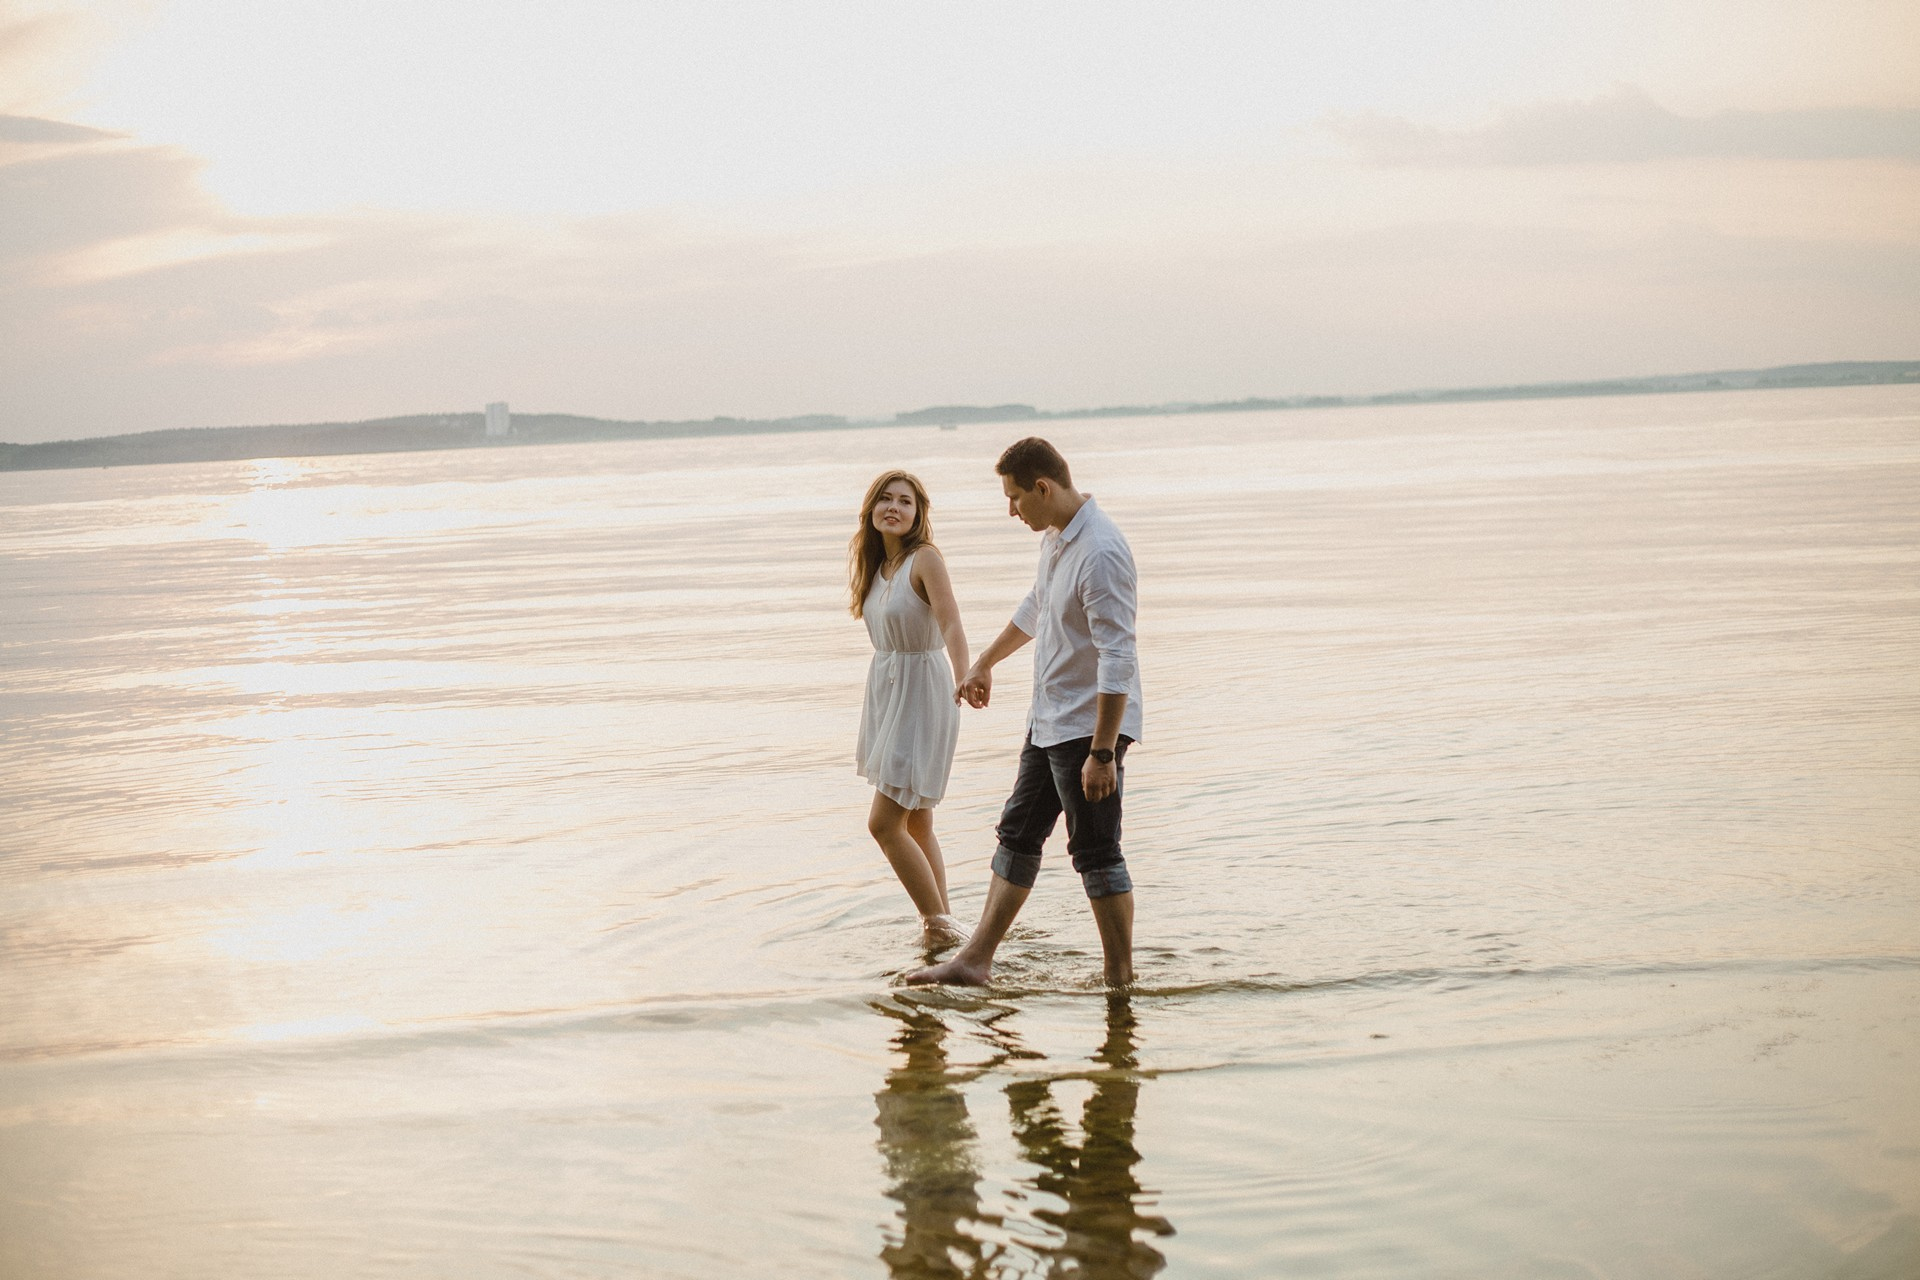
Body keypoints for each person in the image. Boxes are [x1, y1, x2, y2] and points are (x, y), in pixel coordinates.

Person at [908, 438, 1145, 987]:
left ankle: (1120, 977)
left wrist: (1103, 753)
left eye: (1015, 498)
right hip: (1051, 719)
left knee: (1094, 849)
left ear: (1044, 487)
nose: (1011, 510)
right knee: (1017, 833)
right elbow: (1037, 605)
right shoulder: (1059, 538)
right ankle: (974, 961)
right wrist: (986, 661)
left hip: (1090, 728)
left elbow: (1118, 658)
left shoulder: (1102, 550)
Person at [851, 470, 971, 948]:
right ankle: (949, 929)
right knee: (917, 820)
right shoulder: (875, 569)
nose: (894, 508)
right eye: (886, 499)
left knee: (883, 824)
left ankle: (936, 926)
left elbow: (952, 622)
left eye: (905, 501)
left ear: (918, 514)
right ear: (872, 510)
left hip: (923, 690)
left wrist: (966, 675)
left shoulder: (925, 559)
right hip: (888, 690)